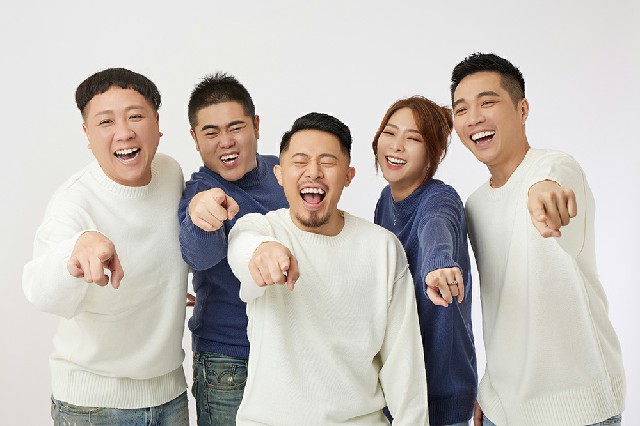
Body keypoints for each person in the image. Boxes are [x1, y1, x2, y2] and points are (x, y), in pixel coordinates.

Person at [451, 52, 625, 426]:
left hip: (577, 412)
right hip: (501, 410)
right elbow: (503, 312)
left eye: (487, 102)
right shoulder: (474, 205)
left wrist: (544, 194)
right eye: (461, 109)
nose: (474, 117)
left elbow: (549, 182)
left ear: (523, 109)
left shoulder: (555, 166)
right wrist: (490, 390)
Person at [227, 112, 429, 425]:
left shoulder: (382, 248)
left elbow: (404, 366)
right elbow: (242, 247)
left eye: (327, 162)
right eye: (300, 161)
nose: (313, 172)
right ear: (279, 174)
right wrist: (263, 251)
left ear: (348, 175)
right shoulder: (261, 229)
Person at [22, 68, 189, 425]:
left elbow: (166, 243)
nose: (124, 132)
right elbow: (40, 291)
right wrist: (74, 253)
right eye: (106, 122)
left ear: (157, 123)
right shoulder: (74, 202)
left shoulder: (170, 172)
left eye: (135, 116)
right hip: (94, 406)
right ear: (87, 134)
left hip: (170, 394)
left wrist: (171, 286)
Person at [178, 72, 288, 425]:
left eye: (235, 127)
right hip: (229, 362)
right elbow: (200, 256)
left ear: (256, 125)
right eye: (211, 132)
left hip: (293, 353)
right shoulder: (199, 192)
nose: (225, 142)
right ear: (195, 139)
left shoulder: (286, 172)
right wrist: (202, 217)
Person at [372, 96, 477, 426]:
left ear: (432, 153)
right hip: (397, 394)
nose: (397, 145)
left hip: (440, 398)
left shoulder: (440, 198)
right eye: (390, 133)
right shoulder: (385, 201)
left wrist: (439, 263)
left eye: (413, 138)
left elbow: (436, 226)